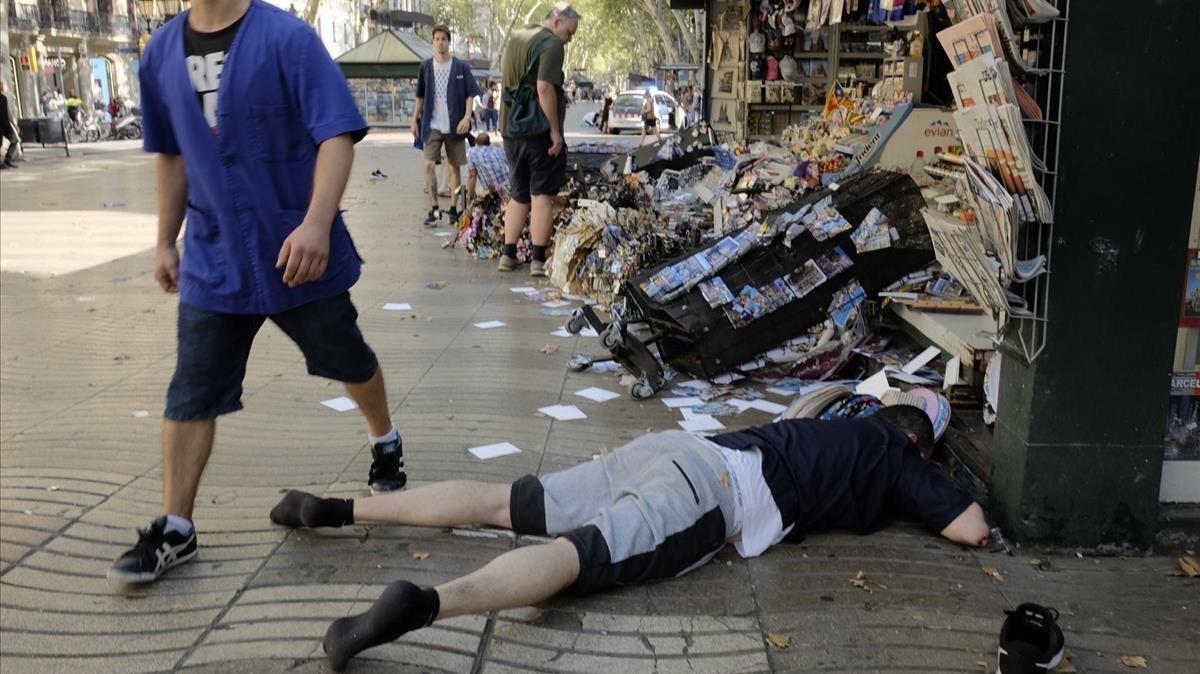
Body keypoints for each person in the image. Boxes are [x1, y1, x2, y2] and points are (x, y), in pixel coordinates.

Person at [270, 406, 990, 671]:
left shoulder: (824, 424)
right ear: (915, 443)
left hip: (676, 448)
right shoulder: (897, 459)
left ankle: (334, 509)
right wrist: (921, 485)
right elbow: (971, 530)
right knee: (574, 556)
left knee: (501, 502)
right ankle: (423, 604)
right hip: (707, 496)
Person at [107, 0, 408, 585]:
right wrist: (165, 239)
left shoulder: (287, 39)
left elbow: (336, 134)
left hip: (295, 248)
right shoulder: (160, 54)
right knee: (192, 388)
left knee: (347, 357)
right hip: (214, 257)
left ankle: (385, 437)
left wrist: (318, 223)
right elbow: (170, 155)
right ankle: (176, 526)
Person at [496, 3, 581, 276]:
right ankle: (537, 260)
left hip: (510, 128)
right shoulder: (552, 45)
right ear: (556, 21)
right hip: (537, 131)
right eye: (570, 32)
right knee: (541, 195)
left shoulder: (517, 38)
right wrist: (555, 131)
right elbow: (544, 87)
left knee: (519, 195)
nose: (570, 39)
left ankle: (508, 255)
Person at [413, 25, 480, 227]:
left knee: (454, 169)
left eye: (444, 38)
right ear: (433, 41)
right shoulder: (426, 67)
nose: (440, 42)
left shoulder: (460, 67)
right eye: (437, 38)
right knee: (428, 165)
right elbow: (420, 96)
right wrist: (414, 118)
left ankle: (453, 208)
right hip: (431, 124)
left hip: (455, 125)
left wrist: (467, 117)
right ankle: (434, 208)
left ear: (449, 42)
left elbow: (470, 93)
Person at [465, 132, 509, 202]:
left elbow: (472, 176)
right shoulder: (498, 149)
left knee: (480, 194)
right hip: (509, 187)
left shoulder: (472, 152)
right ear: (489, 142)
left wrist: (469, 195)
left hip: (494, 191)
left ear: (476, 142)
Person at [0, 81, 20, 169]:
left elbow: (8, 112)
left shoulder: (4, 98)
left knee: (15, 140)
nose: (3, 87)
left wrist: (14, 124)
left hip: (6, 124)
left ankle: (7, 160)